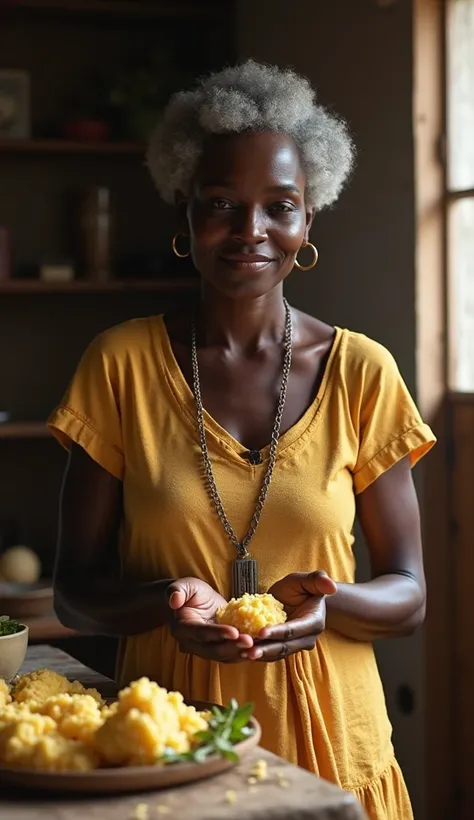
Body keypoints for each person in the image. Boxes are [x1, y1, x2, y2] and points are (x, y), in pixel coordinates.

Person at [48, 61, 436, 819]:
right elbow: (76, 590)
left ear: (308, 220)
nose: (250, 231)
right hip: (168, 746)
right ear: (185, 214)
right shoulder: (119, 365)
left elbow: (410, 593)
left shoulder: (361, 371)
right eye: (221, 204)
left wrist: (330, 604)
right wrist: (167, 604)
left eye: (278, 207)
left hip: (335, 748)